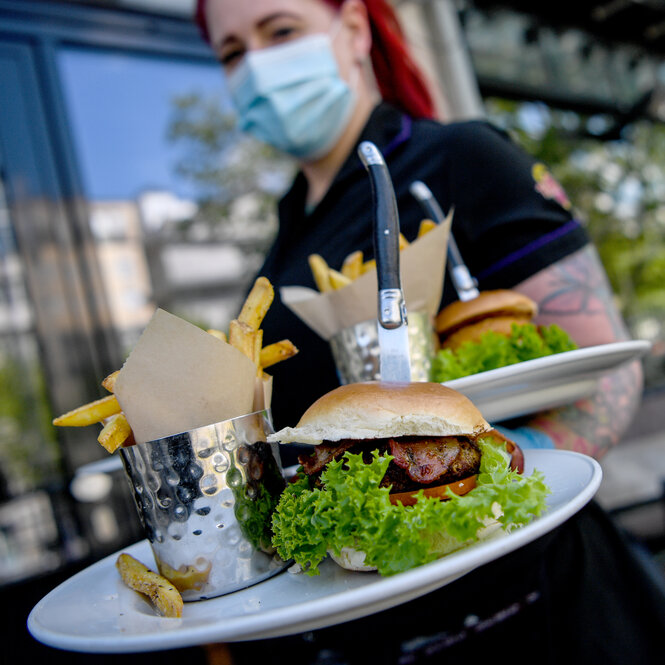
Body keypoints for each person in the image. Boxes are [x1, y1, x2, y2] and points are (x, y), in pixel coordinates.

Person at [194, 1, 665, 663]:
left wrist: (486, 476)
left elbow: (609, 374)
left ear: (353, 29)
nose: (258, 64)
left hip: (545, 614)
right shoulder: (284, 238)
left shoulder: (458, 158)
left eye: (281, 31)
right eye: (233, 52)